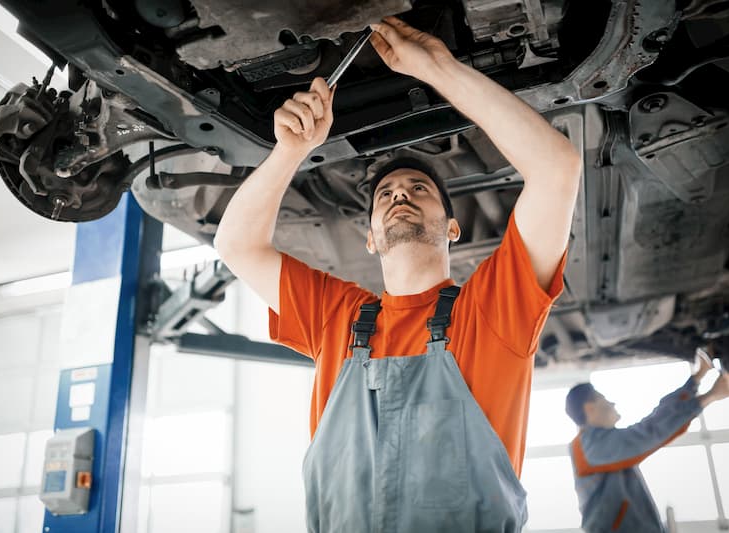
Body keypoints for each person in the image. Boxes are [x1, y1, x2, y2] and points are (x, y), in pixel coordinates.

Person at [215, 16, 581, 532]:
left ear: (452, 228)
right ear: (370, 238)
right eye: (385, 196)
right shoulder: (337, 317)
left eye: (418, 189)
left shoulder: (492, 312)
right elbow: (236, 245)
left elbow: (557, 169)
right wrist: (290, 151)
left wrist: (438, 68)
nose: (400, 195)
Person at [565, 353, 729, 533]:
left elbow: (652, 424)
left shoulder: (598, 446)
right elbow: (650, 433)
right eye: (603, 397)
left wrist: (697, 379)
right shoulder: (589, 448)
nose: (612, 402)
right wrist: (710, 396)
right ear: (590, 407)